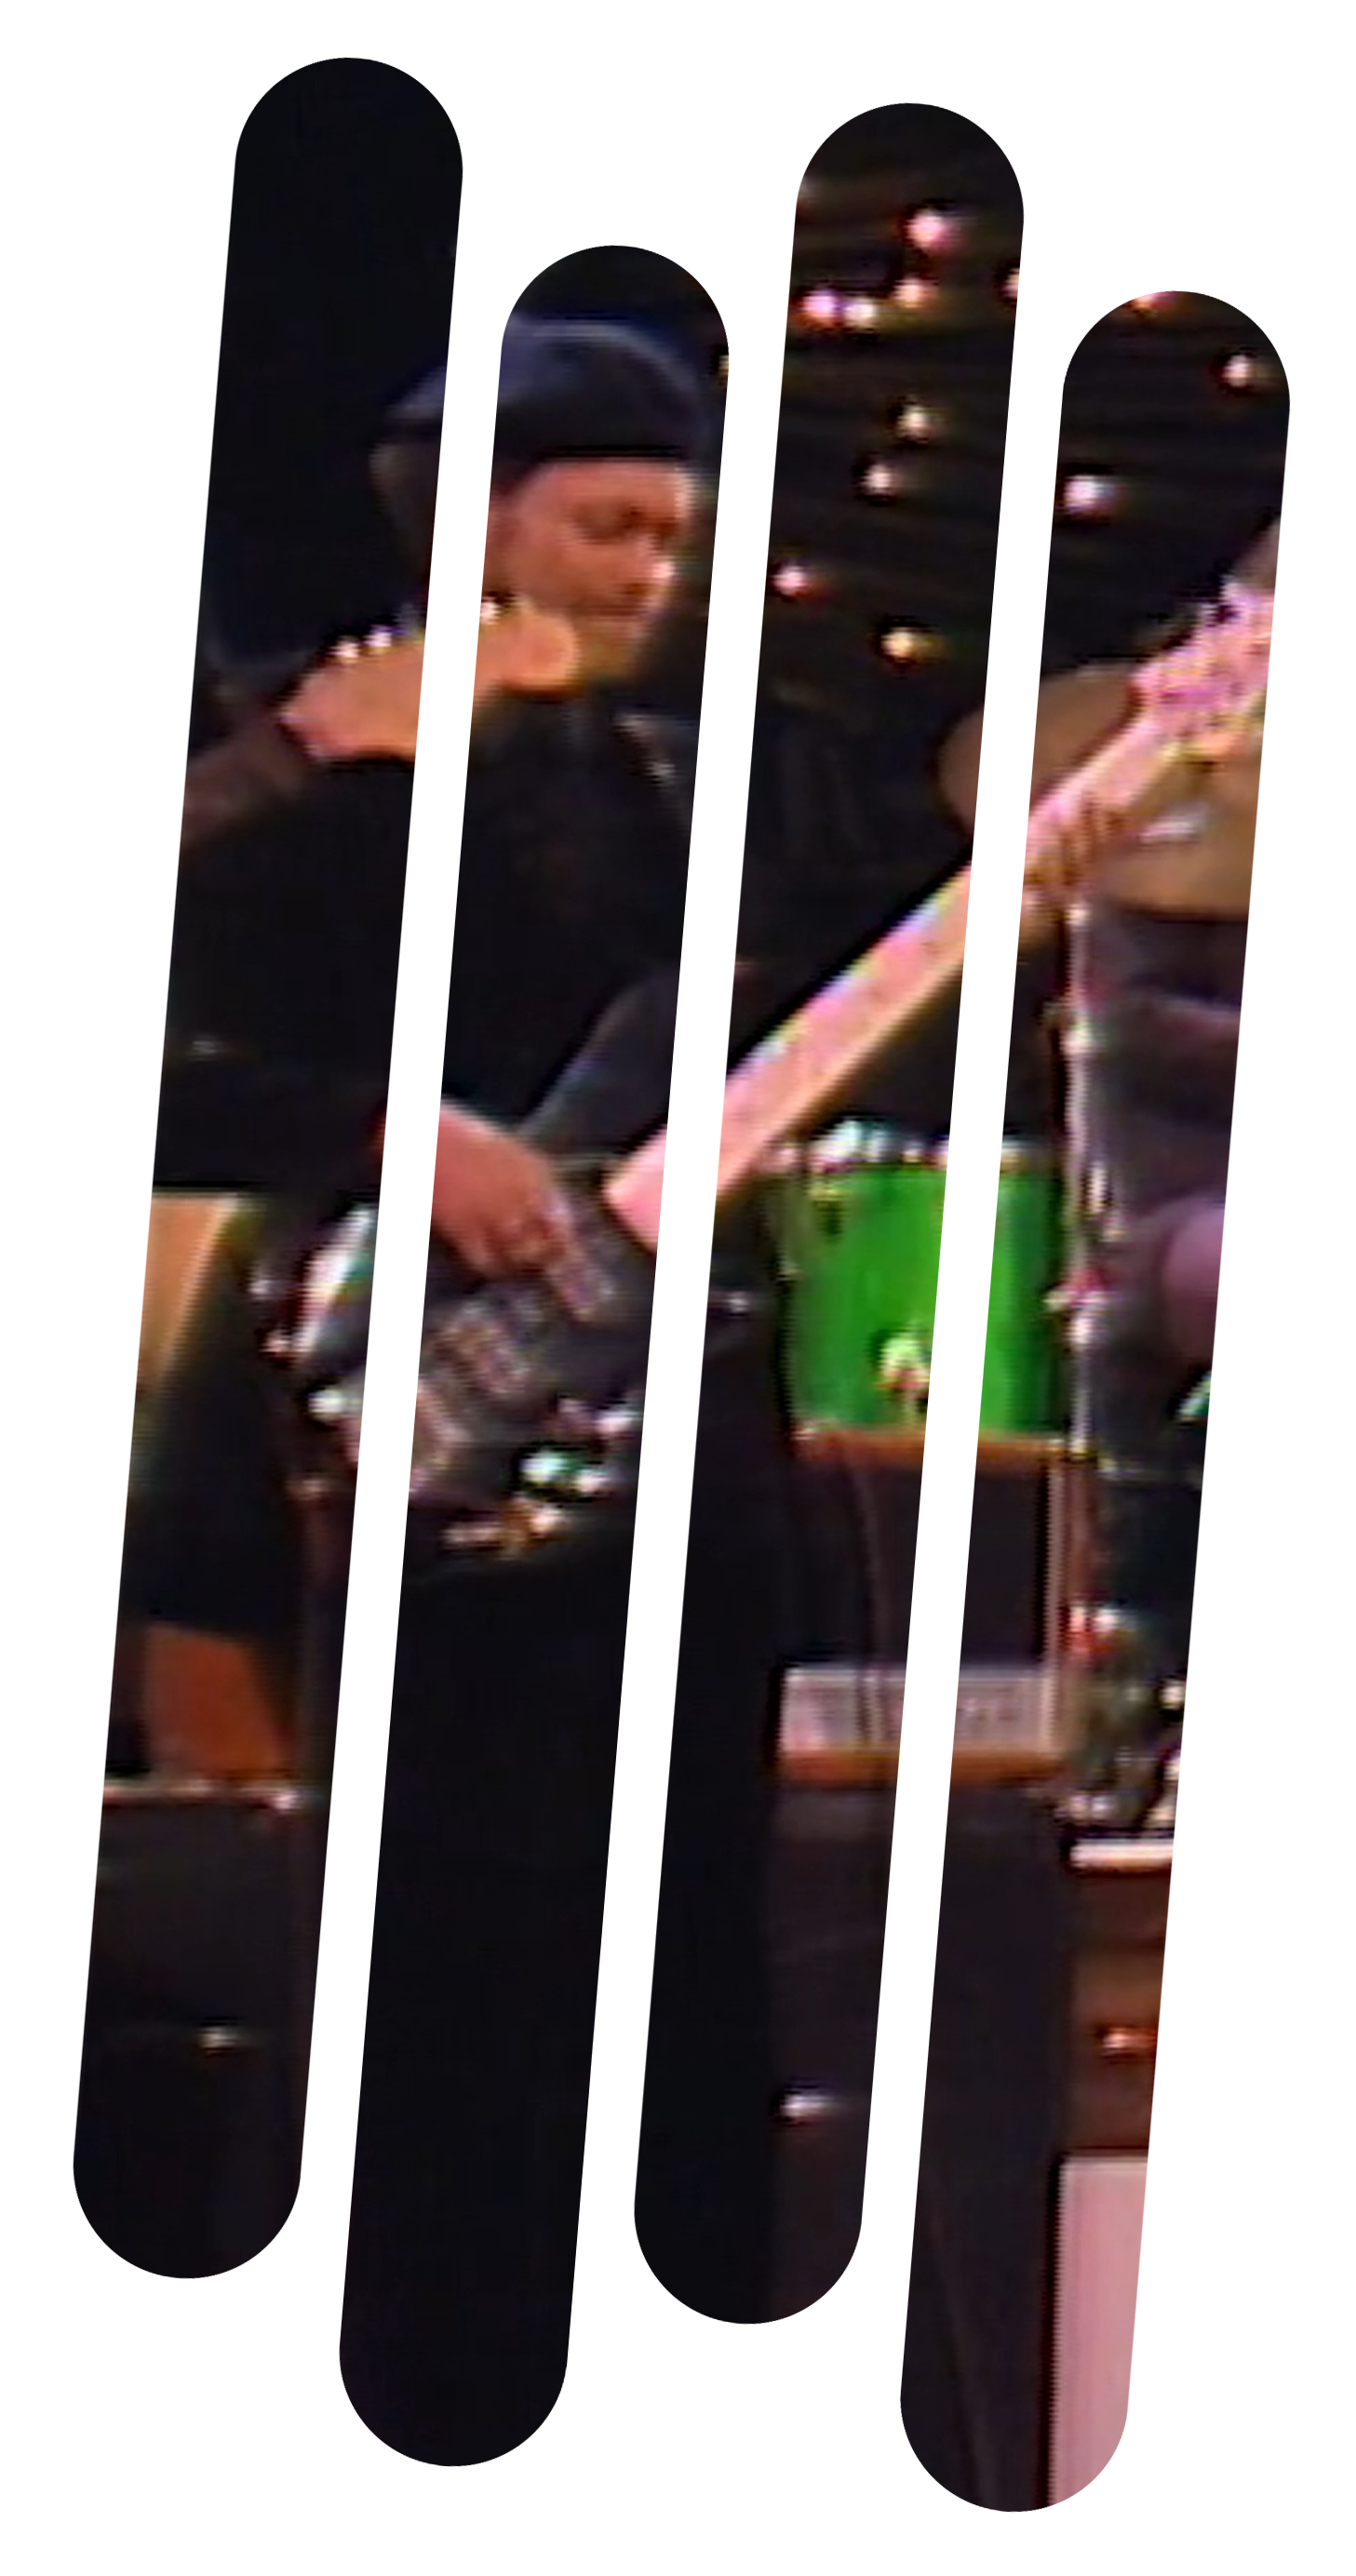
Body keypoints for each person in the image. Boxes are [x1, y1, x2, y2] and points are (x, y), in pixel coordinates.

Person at [339, 317, 799, 2471]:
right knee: (470, 1995)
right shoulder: (341, 761)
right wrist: (406, 1138)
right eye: (608, 524)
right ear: (486, 524)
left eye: (670, 537)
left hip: (660, 1456)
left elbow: (677, 1131)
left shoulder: (653, 787)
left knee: (675, 1980)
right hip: (426, 1464)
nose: (645, 573)